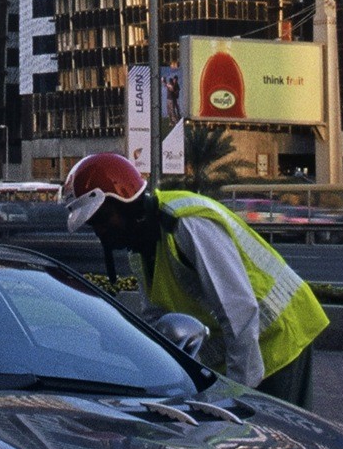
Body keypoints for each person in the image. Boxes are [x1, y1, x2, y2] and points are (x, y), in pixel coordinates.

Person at [62, 151, 327, 405]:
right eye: (93, 224)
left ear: (126, 201)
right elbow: (160, 318)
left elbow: (239, 311)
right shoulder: (142, 247)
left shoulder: (186, 224)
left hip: (281, 337)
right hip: (247, 349)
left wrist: (236, 395)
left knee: (277, 440)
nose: (101, 231)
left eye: (104, 218)